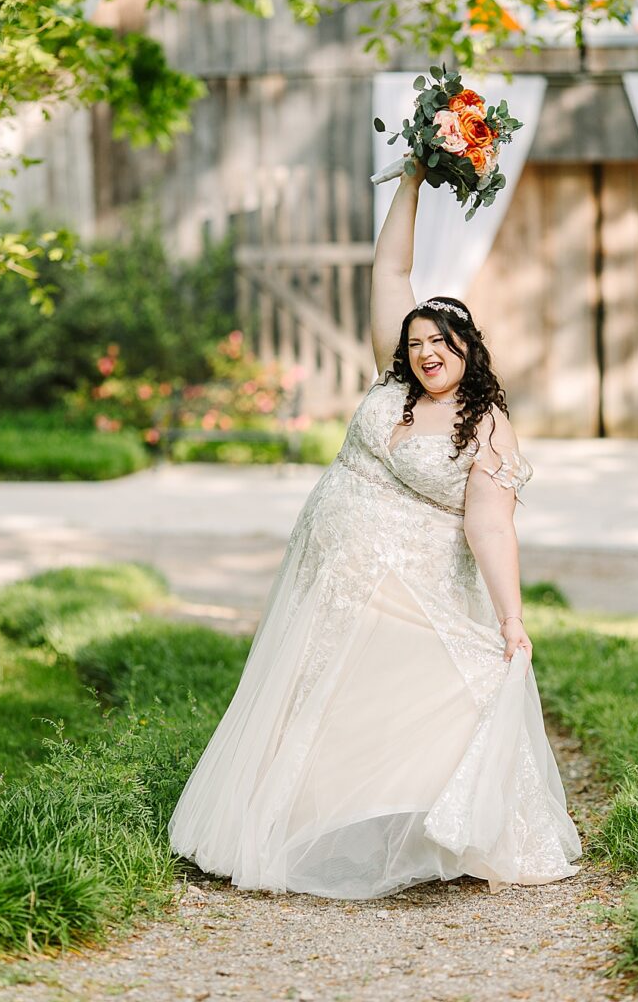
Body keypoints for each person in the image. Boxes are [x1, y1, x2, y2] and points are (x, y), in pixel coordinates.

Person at [167, 162, 583, 899]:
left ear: (468, 349)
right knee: (312, 701)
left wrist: (512, 618)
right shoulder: (386, 386)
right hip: (324, 578)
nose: (427, 351)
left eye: (443, 342)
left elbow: (489, 528)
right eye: (418, 339)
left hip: (408, 584)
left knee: (443, 689)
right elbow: (389, 266)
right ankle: (285, 824)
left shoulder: (484, 426)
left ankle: (451, 827)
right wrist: (412, 183)